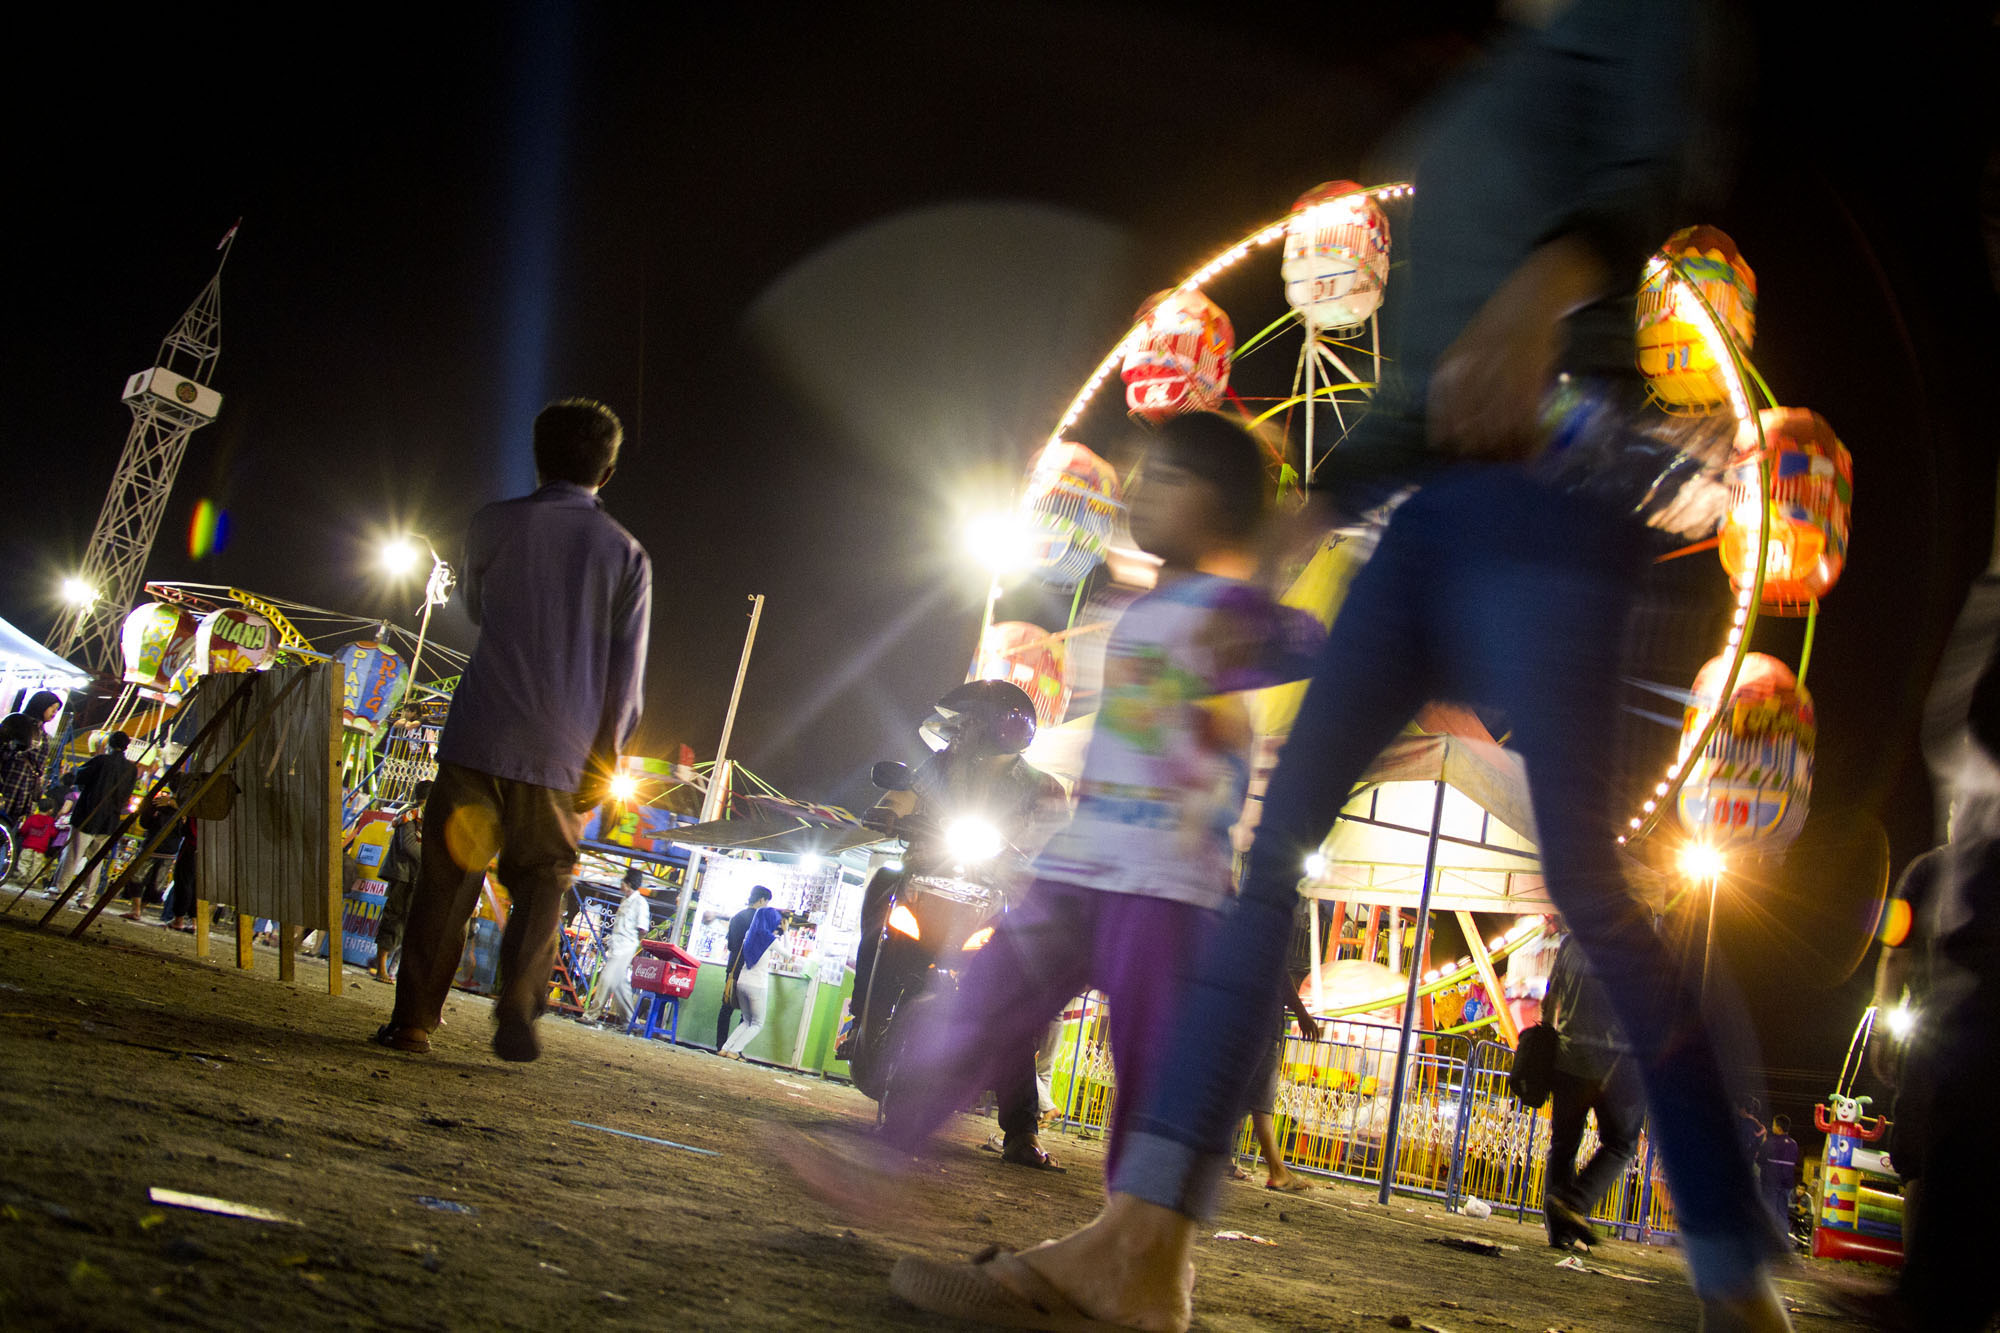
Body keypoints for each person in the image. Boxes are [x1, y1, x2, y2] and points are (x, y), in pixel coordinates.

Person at [884, 5, 1789, 1329]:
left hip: (1549, 492)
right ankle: (1142, 1246)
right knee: (1268, 856)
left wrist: (1542, 294)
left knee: (1589, 885)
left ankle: (1732, 1266)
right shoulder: (1491, 77)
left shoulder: (1634, 12)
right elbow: (1420, 385)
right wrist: (1306, 510)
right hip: (1423, 513)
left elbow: (1652, 168)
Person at [856, 411, 1320, 1180]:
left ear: (1221, 506)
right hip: (1082, 865)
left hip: (1166, 882)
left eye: (1169, 478)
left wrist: (1273, 576)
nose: (1143, 491)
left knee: (1144, 1058)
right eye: (1145, 475)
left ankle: (1141, 1232)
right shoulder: (1136, 611)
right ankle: (884, 1156)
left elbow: (1305, 639)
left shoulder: (1230, 614)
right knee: (988, 999)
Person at [376, 398, 652, 1062]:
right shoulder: (627, 554)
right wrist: (605, 758)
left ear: (538, 455)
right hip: (563, 750)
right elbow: (627, 679)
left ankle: (414, 1022)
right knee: (545, 878)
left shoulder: (492, 523)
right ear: (608, 471)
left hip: (480, 734)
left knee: (446, 882)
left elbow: (473, 606)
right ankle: (518, 1005)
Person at [1541, 929, 1645, 1249]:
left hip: (1568, 1058)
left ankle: (1560, 1233)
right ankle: (1574, 1202)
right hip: (1610, 1065)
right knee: (1621, 1143)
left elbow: (1550, 1001)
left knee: (1564, 1143)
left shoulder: (1571, 942)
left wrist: (1549, 1040)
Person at [57, 732, 138, 903]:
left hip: (88, 813)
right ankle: (87, 897)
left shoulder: (101, 761)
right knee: (95, 861)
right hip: (110, 819)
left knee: (73, 854)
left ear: (109, 744)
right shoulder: (131, 769)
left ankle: (59, 890)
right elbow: (127, 795)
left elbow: (80, 777)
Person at [370, 781, 431, 983]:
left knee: (406, 922)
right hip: (403, 874)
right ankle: (381, 968)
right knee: (393, 918)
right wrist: (432, 859)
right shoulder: (411, 813)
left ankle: (388, 968)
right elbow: (409, 846)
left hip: (411, 876)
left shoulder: (421, 815)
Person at [719, 895, 789, 1060]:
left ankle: (725, 1048)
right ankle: (735, 1051)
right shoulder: (769, 939)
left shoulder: (749, 933)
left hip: (742, 981)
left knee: (746, 1020)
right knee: (757, 1023)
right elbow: (788, 954)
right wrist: (786, 934)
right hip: (757, 985)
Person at [587, 866, 651, 1028]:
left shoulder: (640, 903)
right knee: (620, 984)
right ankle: (630, 1021)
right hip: (617, 946)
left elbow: (642, 929)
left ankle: (591, 1015)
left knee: (606, 978)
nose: (620, 883)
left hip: (626, 947)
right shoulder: (625, 900)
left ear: (628, 883)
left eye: (623, 880)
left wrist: (633, 945)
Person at [715, 885, 774, 1049]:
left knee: (726, 1008)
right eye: (767, 902)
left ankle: (721, 1046)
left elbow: (732, 945)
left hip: (733, 969)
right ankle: (735, 1048)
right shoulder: (761, 921)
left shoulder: (736, 917)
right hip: (750, 970)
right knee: (747, 1016)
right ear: (761, 900)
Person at [0, 690, 62, 831]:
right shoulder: (18, 724)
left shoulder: (41, 732)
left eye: (56, 711)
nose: (54, 713)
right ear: (41, 706)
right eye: (52, 709)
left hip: (20, 787)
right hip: (12, 784)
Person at [124, 785, 185, 922]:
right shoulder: (185, 807)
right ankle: (139, 909)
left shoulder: (161, 803)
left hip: (154, 845)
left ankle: (136, 909)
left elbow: (145, 822)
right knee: (156, 882)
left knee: (138, 877)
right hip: (168, 848)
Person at [1753, 1115, 1800, 1235]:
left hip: (1771, 1182)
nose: (1772, 1127)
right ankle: (1783, 1240)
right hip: (1787, 1184)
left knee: (1770, 1211)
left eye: (1774, 1125)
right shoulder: (1794, 1144)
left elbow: (1760, 1160)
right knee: (1782, 1212)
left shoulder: (1770, 1142)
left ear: (1778, 1128)